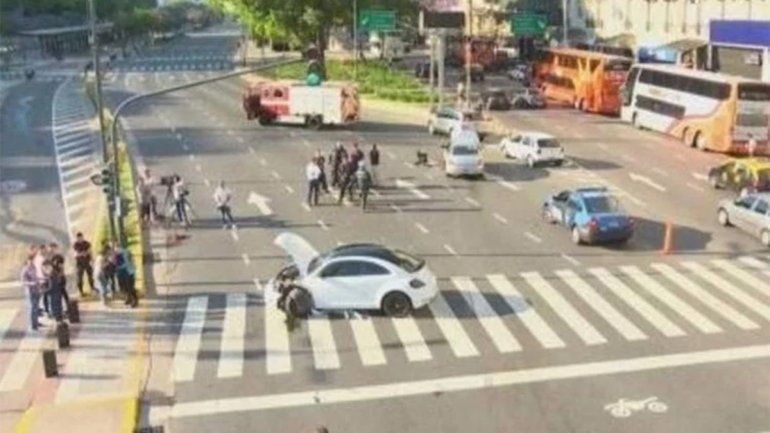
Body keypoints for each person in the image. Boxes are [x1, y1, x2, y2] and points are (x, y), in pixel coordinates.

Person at [20, 255, 41, 331]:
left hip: (37, 289)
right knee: (32, 308)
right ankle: (33, 325)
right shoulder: (25, 270)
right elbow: (23, 282)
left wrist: (40, 280)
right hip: (30, 291)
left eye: (33, 260)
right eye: (30, 260)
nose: (32, 262)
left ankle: (36, 322)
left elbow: (36, 277)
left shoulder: (34, 267)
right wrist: (31, 283)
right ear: (27, 261)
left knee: (36, 307)